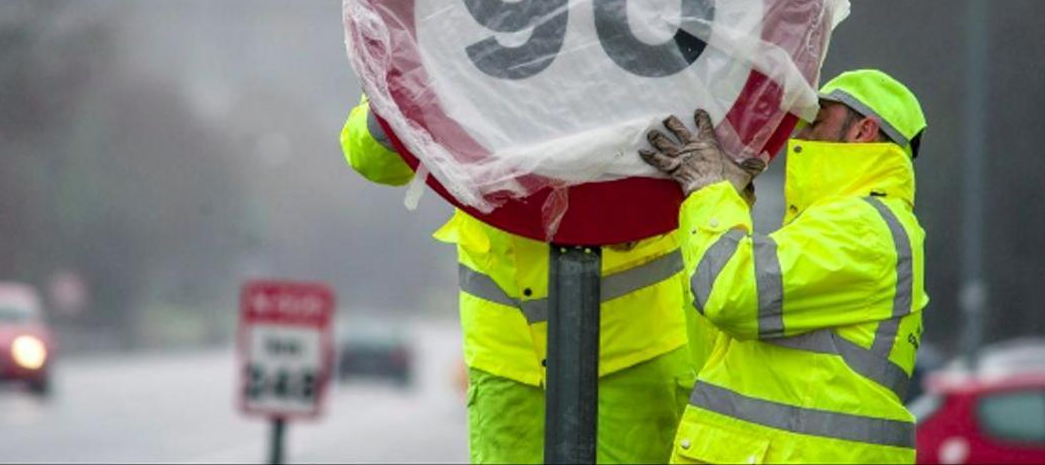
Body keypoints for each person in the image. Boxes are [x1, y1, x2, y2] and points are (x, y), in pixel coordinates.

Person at [341, 96, 696, 464]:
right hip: (509, 361)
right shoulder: (434, 41)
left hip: (639, 349)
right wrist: (403, 91)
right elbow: (374, 160)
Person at [641, 69, 928, 464]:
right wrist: (731, 201)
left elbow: (728, 293)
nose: (799, 135)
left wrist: (709, 190)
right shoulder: (837, 222)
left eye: (816, 121)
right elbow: (719, 342)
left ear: (863, 130)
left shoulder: (864, 227)